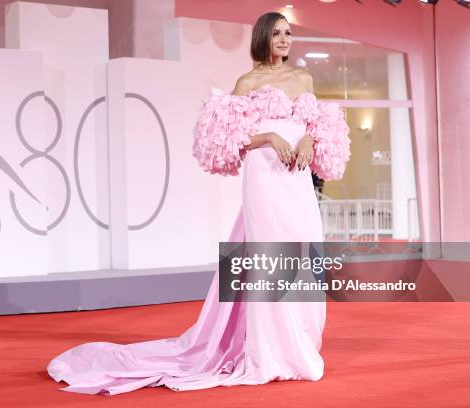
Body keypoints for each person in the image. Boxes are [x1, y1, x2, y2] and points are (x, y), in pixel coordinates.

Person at [47, 12, 350, 395]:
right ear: (262, 38)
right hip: (264, 176)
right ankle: (271, 349)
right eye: (277, 34)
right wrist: (269, 136)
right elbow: (228, 141)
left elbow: (315, 124)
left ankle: (300, 345)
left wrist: (308, 140)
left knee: (303, 256)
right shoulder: (247, 82)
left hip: (296, 178)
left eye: (288, 33)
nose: (286, 40)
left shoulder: (303, 78)